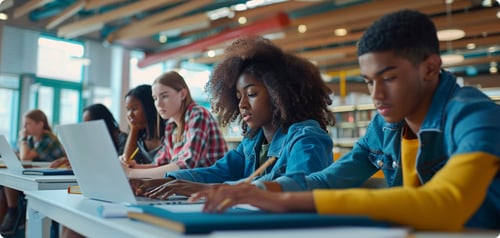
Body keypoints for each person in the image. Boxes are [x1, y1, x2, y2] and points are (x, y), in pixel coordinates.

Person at [190, 10, 500, 231]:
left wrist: (289, 202)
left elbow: (447, 202)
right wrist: (263, 191)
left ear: (430, 69)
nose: (376, 94)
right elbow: (328, 179)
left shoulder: (475, 116)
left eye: (389, 77)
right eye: (368, 81)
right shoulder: (384, 127)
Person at [129, 36, 336, 199]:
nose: (242, 104)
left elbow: (297, 187)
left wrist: (200, 188)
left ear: (280, 93)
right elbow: (218, 172)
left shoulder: (307, 137)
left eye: (252, 94)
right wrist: (167, 180)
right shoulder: (251, 144)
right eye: (238, 97)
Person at [122, 71, 228, 179]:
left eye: (164, 96)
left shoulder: (197, 114)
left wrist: (131, 173)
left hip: (215, 187)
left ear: (182, 94)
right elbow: (161, 164)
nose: (158, 104)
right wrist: (136, 167)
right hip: (193, 187)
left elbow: (186, 165)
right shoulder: (171, 125)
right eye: (155, 98)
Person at [0, 109, 66, 235]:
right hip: (37, 176)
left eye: (28, 123)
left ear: (40, 124)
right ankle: (12, 216)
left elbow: (25, 157)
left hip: (51, 181)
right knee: (3, 188)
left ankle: (13, 215)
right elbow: (24, 156)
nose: (25, 127)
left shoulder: (48, 139)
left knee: (8, 182)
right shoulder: (33, 140)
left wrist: (22, 138)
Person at [50, 103, 128, 168]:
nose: (86, 127)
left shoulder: (122, 139)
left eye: (89, 123)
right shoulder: (93, 141)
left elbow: (118, 165)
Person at [121, 85, 165, 165]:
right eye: (128, 110)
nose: (130, 114)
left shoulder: (168, 134)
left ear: (149, 107)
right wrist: (133, 129)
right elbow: (126, 161)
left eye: (134, 109)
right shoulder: (140, 138)